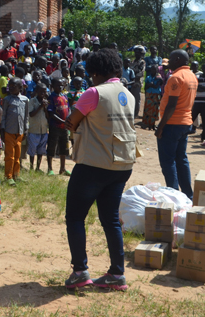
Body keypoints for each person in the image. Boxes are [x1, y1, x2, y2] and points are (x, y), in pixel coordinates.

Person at [63, 48, 135, 291]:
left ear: (95, 73)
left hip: (94, 164)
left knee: (75, 217)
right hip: (122, 164)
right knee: (111, 220)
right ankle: (117, 273)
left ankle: (80, 271)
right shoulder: (128, 94)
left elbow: (72, 122)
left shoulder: (93, 93)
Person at [156, 50, 197, 199]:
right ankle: (188, 196)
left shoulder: (176, 78)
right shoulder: (192, 76)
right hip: (185, 123)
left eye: (171, 59)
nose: (168, 63)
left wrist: (160, 126)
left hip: (172, 124)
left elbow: (171, 105)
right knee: (181, 159)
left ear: (178, 59)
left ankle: (173, 195)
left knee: (168, 161)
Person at [1, 78, 29, 186]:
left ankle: (16, 175)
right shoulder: (7, 100)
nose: (11, 88)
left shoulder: (25, 100)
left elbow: (26, 116)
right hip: (9, 131)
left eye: (14, 86)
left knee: (18, 156)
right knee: (9, 155)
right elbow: (3, 116)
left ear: (20, 88)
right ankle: (8, 176)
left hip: (20, 131)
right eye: (10, 86)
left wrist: (26, 129)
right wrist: (2, 130)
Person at [47, 78, 70, 176]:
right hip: (55, 126)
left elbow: (68, 109)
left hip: (64, 127)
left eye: (61, 85)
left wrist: (68, 119)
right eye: (57, 85)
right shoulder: (51, 97)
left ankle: (62, 168)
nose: (60, 87)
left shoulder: (64, 96)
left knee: (64, 147)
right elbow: (51, 113)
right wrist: (62, 121)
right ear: (52, 86)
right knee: (52, 146)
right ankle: (50, 168)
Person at [27, 84, 49, 173]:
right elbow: (31, 114)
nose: (43, 93)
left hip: (43, 129)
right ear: (36, 91)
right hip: (34, 129)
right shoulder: (32, 101)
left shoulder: (46, 102)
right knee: (32, 149)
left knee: (41, 150)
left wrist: (45, 108)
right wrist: (40, 107)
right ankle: (31, 167)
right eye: (41, 91)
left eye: (44, 91)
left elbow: (48, 116)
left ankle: (38, 168)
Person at [142, 66, 163, 130]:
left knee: (154, 110)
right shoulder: (148, 77)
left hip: (155, 95)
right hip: (149, 94)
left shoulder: (159, 77)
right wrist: (150, 85)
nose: (153, 71)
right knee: (148, 109)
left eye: (155, 69)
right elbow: (145, 87)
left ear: (157, 70)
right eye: (152, 69)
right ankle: (148, 124)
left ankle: (152, 124)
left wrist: (150, 85)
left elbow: (157, 85)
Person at [129, 46, 146, 118]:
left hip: (137, 83)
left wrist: (134, 75)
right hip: (131, 83)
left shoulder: (142, 62)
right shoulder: (133, 61)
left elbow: (140, 73)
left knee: (136, 98)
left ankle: (135, 113)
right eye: (136, 53)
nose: (136, 54)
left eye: (138, 53)